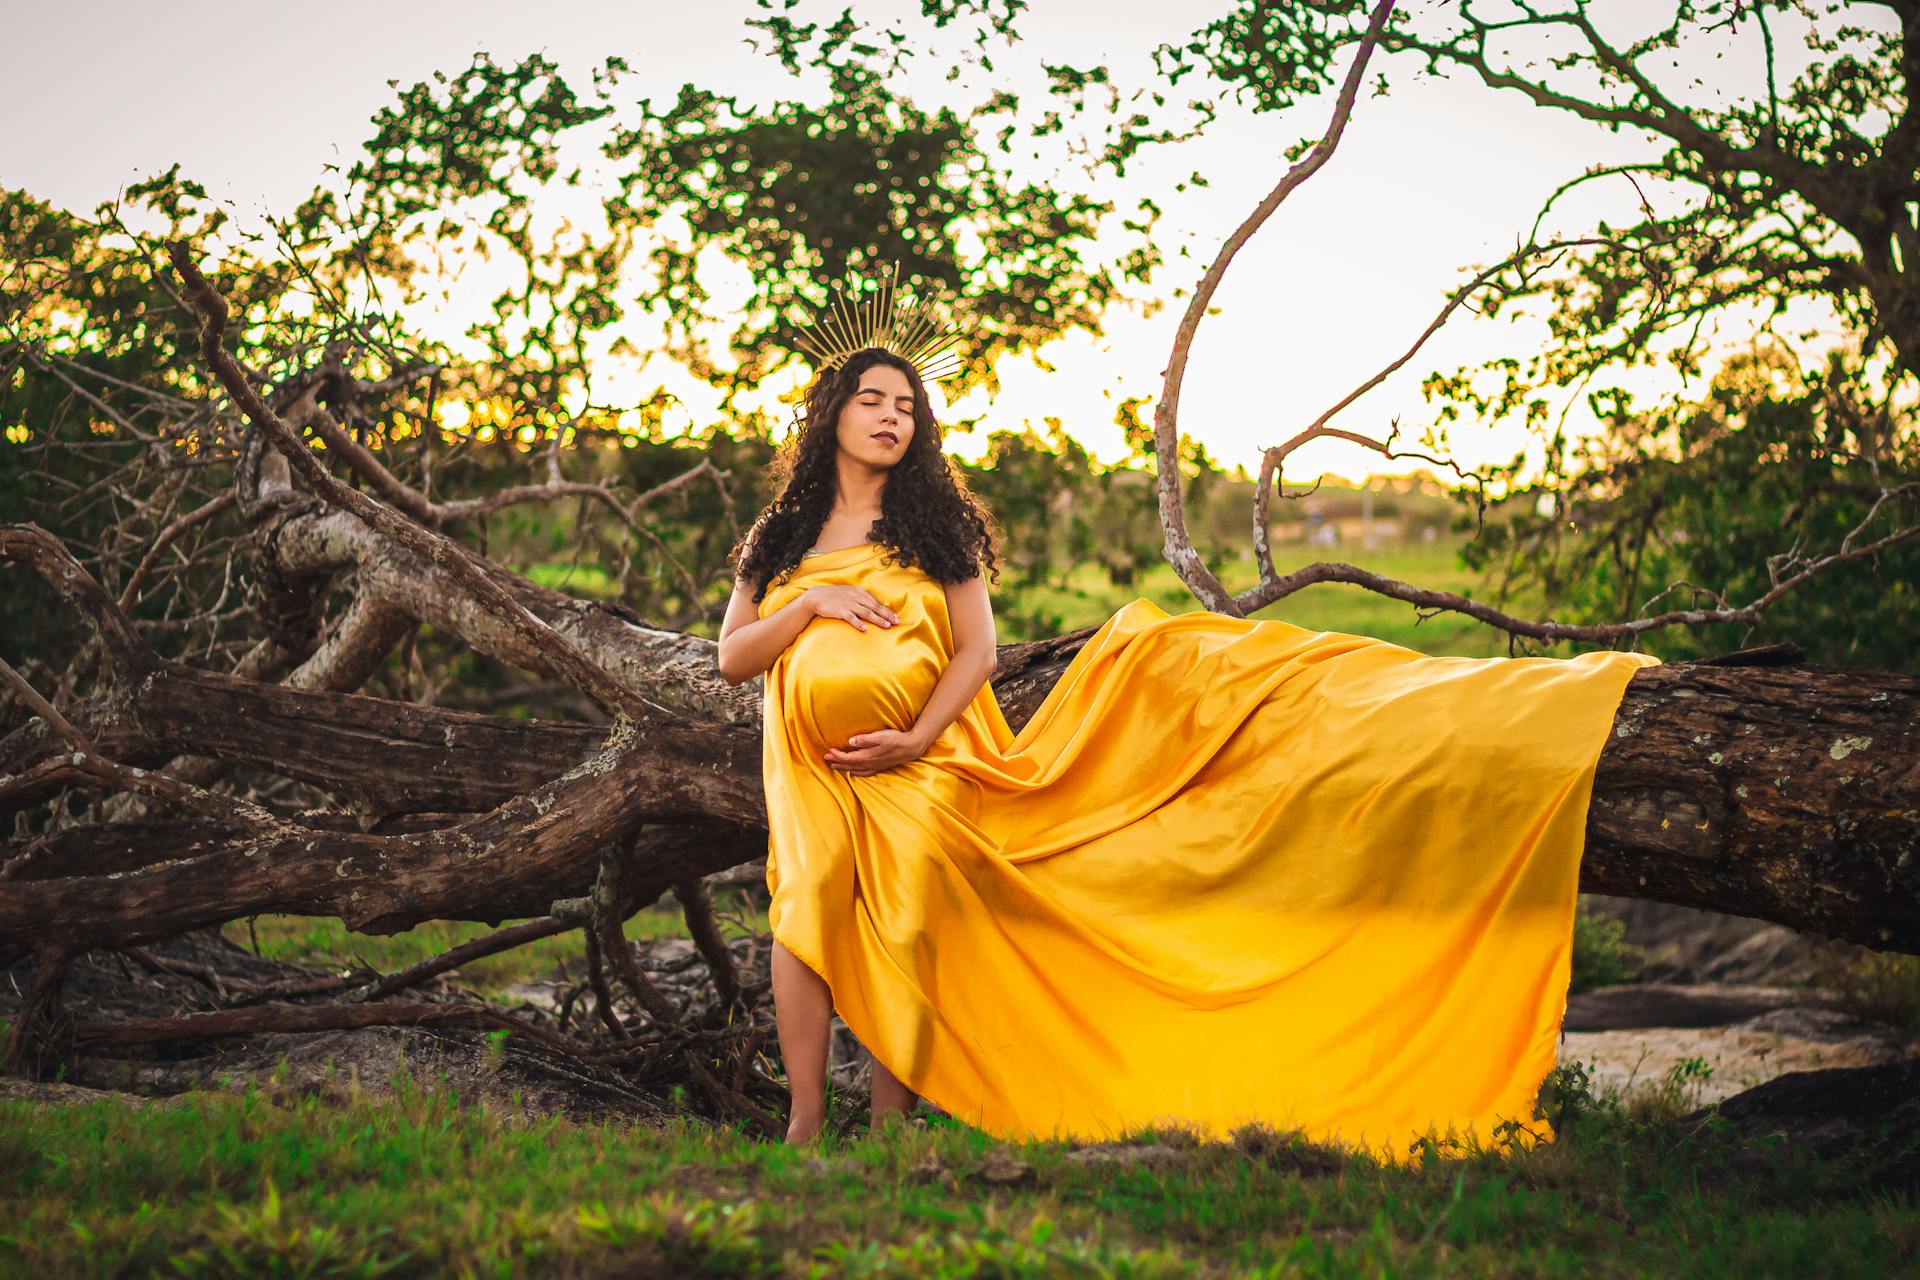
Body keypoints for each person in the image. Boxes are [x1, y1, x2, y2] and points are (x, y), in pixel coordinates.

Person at [715, 344, 1661, 1161]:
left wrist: (920, 734)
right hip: (807, 765)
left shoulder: (937, 528)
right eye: (873, 401)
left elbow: (979, 652)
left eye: (908, 407)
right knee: (804, 915)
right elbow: (731, 659)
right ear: (832, 413)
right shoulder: (783, 535)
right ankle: (805, 1122)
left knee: (913, 922)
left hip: (920, 761)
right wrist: (807, 607)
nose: (892, 418)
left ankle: (893, 1124)